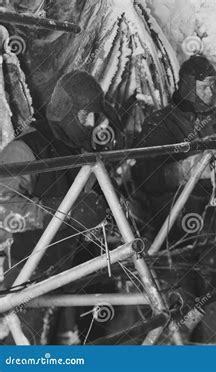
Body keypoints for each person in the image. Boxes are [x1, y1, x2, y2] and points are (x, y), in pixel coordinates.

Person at [0, 70, 118, 344]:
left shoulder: (78, 150)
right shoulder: (24, 149)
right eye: (84, 114)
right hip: (22, 273)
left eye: (94, 116)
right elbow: (3, 211)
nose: (91, 123)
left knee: (66, 343)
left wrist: (104, 210)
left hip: (63, 267)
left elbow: (88, 202)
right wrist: (65, 213)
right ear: (66, 111)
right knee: (25, 346)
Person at [132, 54, 216, 237]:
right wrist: (188, 168)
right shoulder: (160, 122)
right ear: (188, 88)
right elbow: (145, 177)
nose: (211, 93)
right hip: (179, 216)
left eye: (213, 85)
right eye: (203, 87)